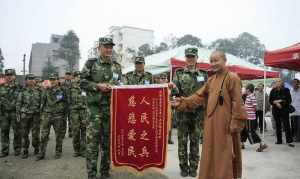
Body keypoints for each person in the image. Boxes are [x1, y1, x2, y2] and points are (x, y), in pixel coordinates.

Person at [172, 51, 247, 179]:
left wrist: (236, 122)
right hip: (211, 124)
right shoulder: (211, 80)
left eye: (216, 60)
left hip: (225, 125)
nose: (213, 64)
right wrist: (182, 102)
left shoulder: (232, 78)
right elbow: (198, 96)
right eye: (211, 61)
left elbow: (237, 102)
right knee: (210, 153)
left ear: (224, 60)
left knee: (224, 154)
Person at [81, 37, 122, 179]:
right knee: (92, 145)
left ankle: (105, 172)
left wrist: (116, 87)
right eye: (106, 47)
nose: (109, 49)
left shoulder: (116, 66)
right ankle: (91, 174)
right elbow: (82, 82)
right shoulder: (91, 64)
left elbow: (120, 85)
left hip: (110, 111)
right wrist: (98, 86)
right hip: (94, 111)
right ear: (100, 48)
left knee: (107, 145)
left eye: (111, 47)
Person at [172, 47, 208, 177]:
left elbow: (206, 93)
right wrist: (175, 99)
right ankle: (183, 168)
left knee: (195, 142)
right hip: (183, 114)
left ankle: (193, 168)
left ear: (197, 58)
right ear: (185, 58)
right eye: (188, 57)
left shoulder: (203, 74)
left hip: (198, 114)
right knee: (182, 142)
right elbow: (174, 93)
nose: (190, 59)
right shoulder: (179, 73)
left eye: (193, 57)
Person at [36, 73, 68, 160]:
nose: (52, 81)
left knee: (59, 136)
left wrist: (64, 116)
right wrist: (41, 114)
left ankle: (58, 152)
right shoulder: (46, 90)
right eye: (51, 79)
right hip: (47, 115)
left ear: (58, 80)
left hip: (58, 116)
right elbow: (42, 103)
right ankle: (41, 153)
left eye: (54, 79)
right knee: (44, 135)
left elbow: (66, 103)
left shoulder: (63, 90)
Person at [16, 74, 42, 158]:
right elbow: (19, 103)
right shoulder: (22, 91)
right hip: (25, 115)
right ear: (26, 80)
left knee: (35, 134)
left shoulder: (39, 91)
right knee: (24, 134)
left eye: (32, 79)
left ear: (35, 80)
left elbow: (42, 103)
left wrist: (41, 114)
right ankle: (25, 150)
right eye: (29, 79)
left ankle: (36, 148)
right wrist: (18, 114)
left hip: (36, 115)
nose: (31, 80)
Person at [0, 69, 22, 158]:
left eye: (11, 75)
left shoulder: (19, 87)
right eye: (7, 75)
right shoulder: (1, 87)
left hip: (14, 113)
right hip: (4, 114)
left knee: (17, 132)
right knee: (4, 132)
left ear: (14, 76)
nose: (9, 76)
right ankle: (5, 150)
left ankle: (17, 149)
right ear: (5, 76)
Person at [240, 83, 268, 152]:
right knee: (243, 130)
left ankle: (262, 144)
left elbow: (255, 107)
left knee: (250, 131)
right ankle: (242, 144)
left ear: (248, 90)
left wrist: (248, 110)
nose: (245, 90)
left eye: (246, 89)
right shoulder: (248, 96)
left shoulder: (251, 96)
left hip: (250, 117)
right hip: (246, 116)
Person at [269, 78, 294, 147]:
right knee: (278, 125)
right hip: (276, 110)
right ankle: (279, 140)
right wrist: (275, 103)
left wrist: (280, 101)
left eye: (279, 81)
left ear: (282, 82)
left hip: (284, 110)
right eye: (276, 82)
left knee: (286, 125)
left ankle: (289, 141)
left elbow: (289, 100)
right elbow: (270, 100)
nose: (278, 83)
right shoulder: (273, 90)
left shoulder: (286, 90)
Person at [69, 71, 87, 157]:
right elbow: (67, 99)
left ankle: (83, 150)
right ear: (74, 77)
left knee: (84, 131)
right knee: (75, 131)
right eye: (76, 76)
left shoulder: (85, 86)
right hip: (74, 112)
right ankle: (76, 150)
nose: (78, 78)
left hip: (84, 111)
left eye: (79, 76)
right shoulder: (70, 87)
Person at [62, 71, 73, 138]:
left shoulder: (73, 84)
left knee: (71, 119)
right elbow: (59, 93)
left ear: (71, 76)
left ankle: (70, 132)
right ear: (65, 76)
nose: (68, 76)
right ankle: (63, 133)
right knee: (63, 119)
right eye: (67, 75)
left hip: (71, 104)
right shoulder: (62, 84)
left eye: (69, 75)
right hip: (64, 104)